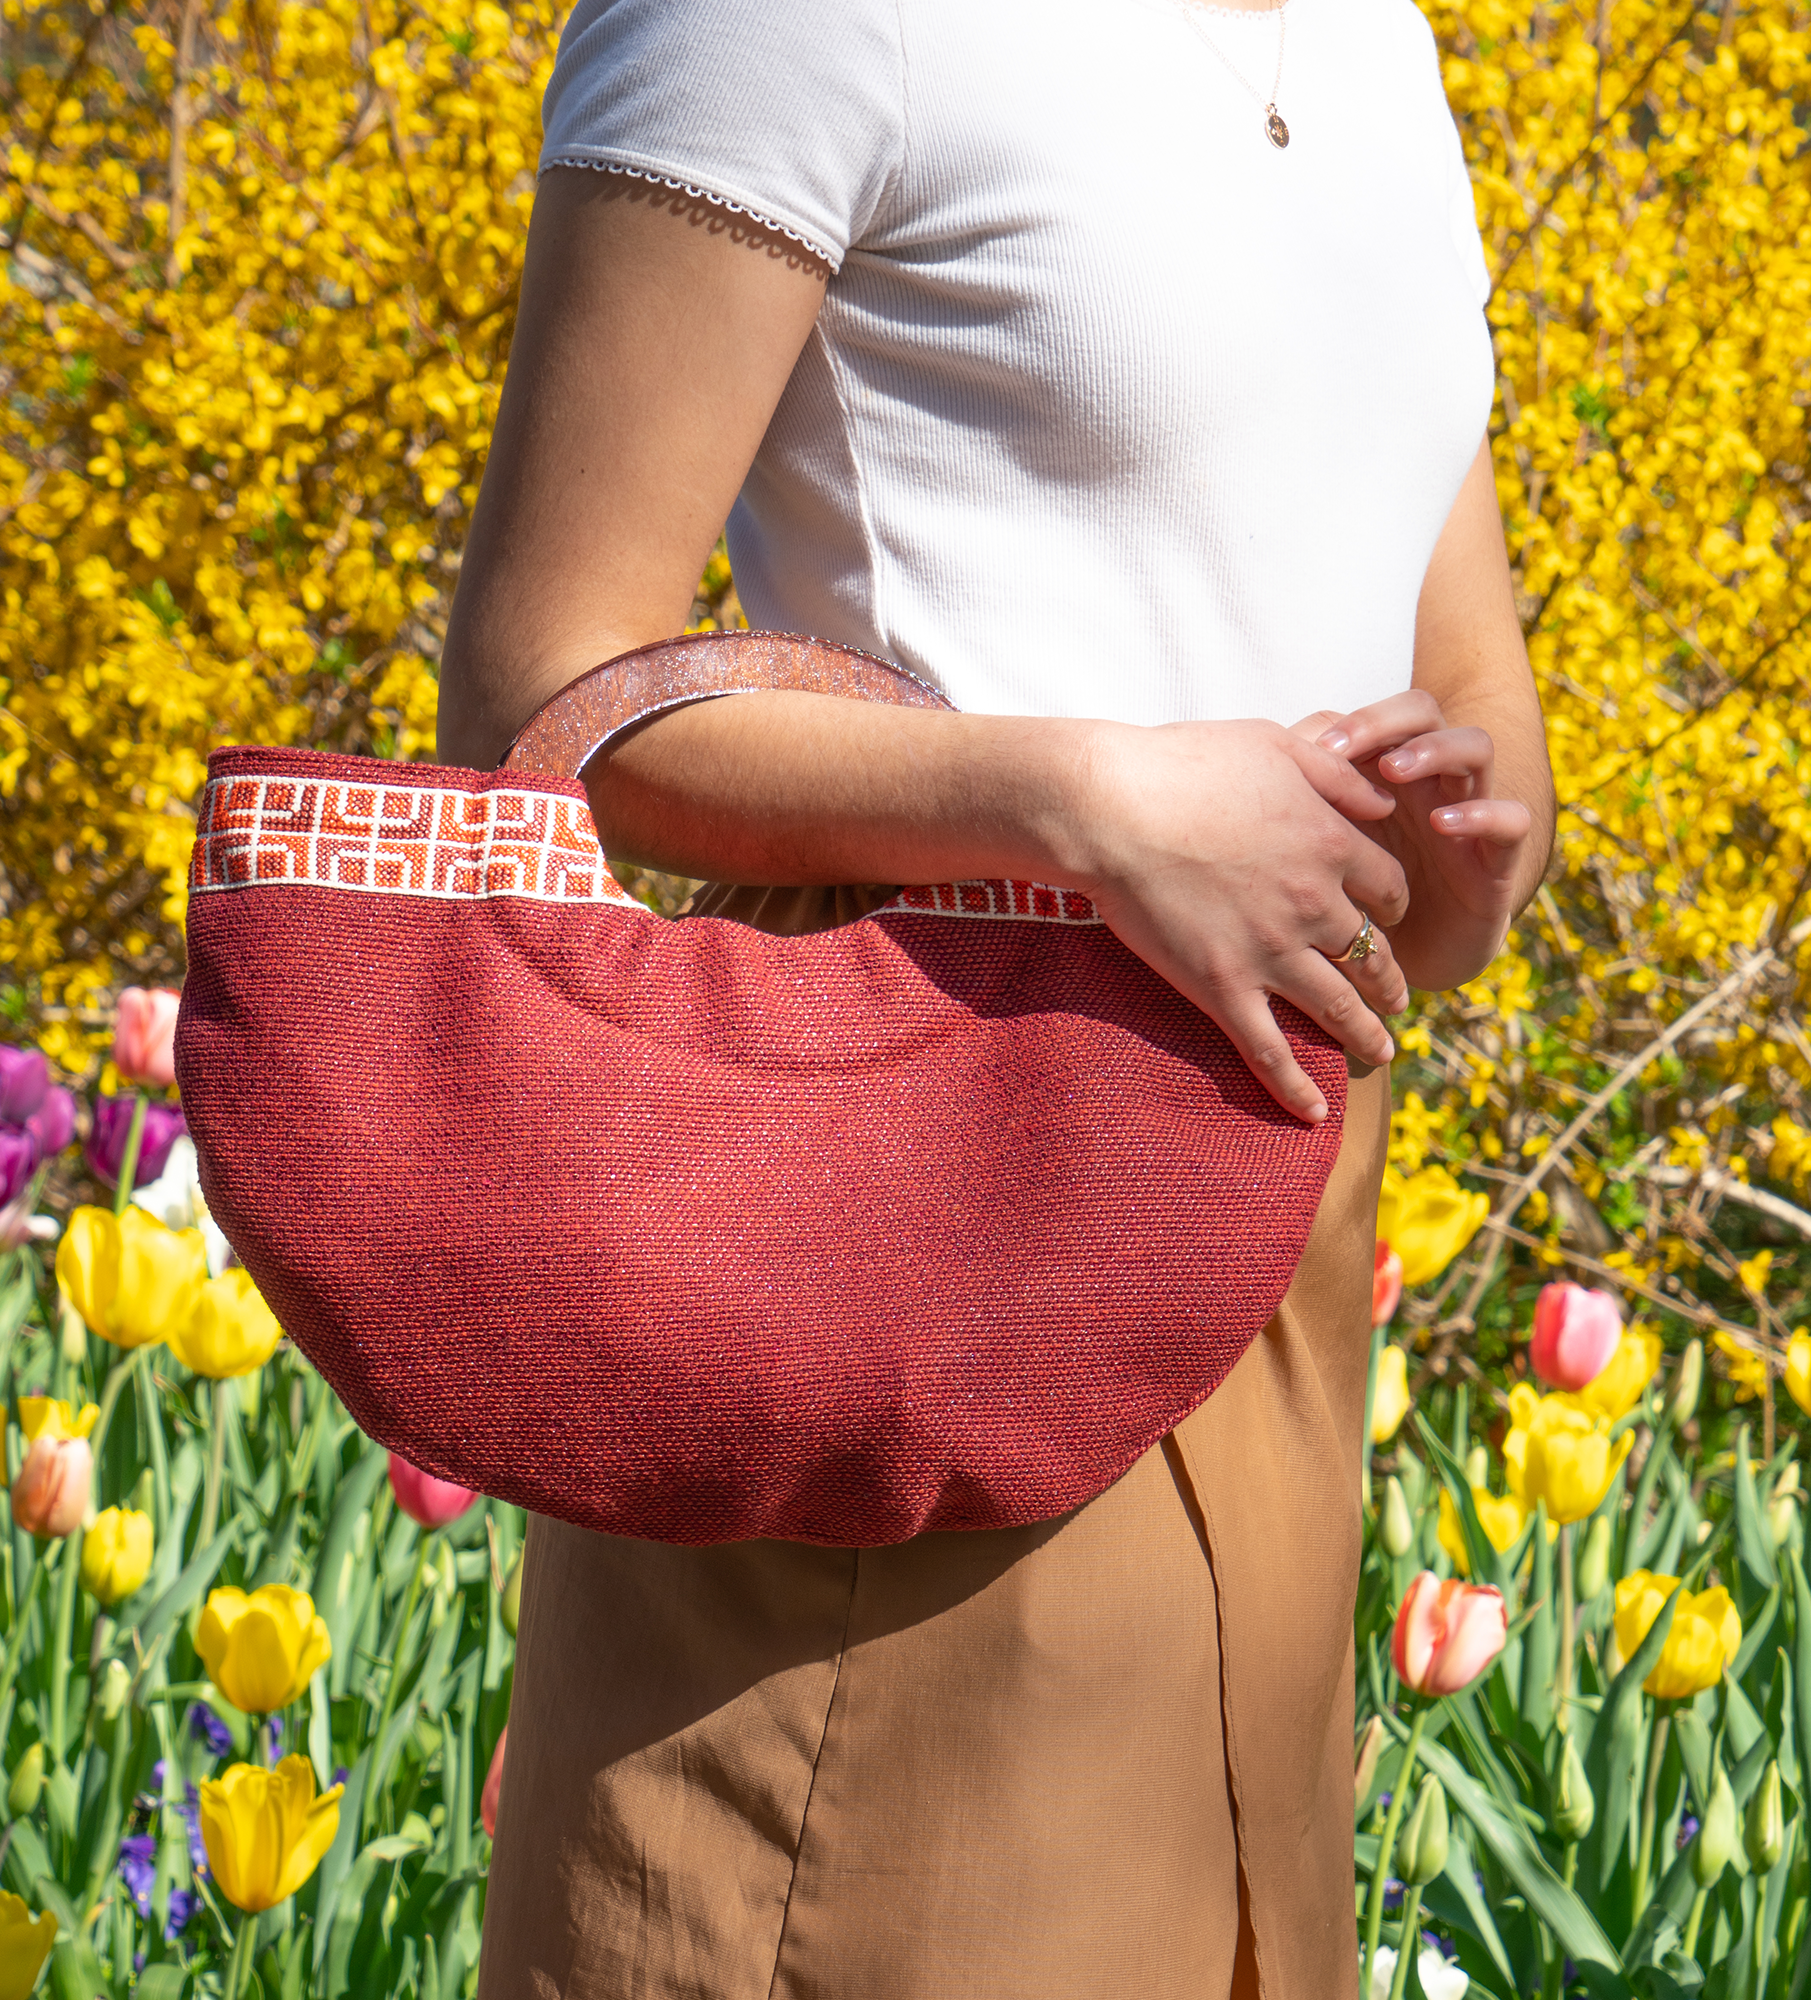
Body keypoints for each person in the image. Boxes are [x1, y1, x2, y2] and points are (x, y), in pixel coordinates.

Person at [438, 0, 1555, 1991]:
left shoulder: (1371, 37)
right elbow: (535, 691)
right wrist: (1082, 801)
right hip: (921, 1212)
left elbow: (1467, 707)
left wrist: (1455, 837)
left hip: (1279, 1217)